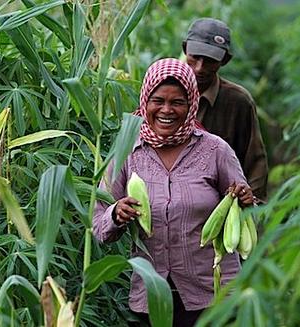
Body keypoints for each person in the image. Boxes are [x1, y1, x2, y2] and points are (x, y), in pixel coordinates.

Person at [93, 58, 254, 327]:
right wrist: (116, 214)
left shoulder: (215, 150)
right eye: (158, 100)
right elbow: (99, 226)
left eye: (177, 102)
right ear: (146, 100)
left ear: (191, 103)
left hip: (212, 294)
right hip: (151, 294)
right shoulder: (126, 152)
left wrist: (246, 201)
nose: (166, 110)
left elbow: (245, 213)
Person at [182, 18, 269, 202]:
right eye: (195, 57)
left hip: (222, 206)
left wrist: (252, 205)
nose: (200, 67)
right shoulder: (164, 93)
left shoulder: (237, 102)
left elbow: (254, 160)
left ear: (225, 60)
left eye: (210, 60)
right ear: (185, 50)